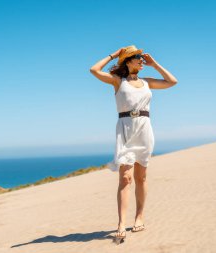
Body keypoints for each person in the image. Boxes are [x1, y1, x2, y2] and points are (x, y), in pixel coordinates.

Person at [89, 45, 178, 240]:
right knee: (125, 179)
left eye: (141, 57)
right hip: (126, 130)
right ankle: (121, 222)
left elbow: (172, 81)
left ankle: (139, 217)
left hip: (144, 129)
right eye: (137, 57)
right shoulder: (118, 82)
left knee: (141, 177)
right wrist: (114, 54)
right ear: (128, 61)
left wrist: (155, 64)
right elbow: (94, 70)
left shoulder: (147, 83)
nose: (141, 59)